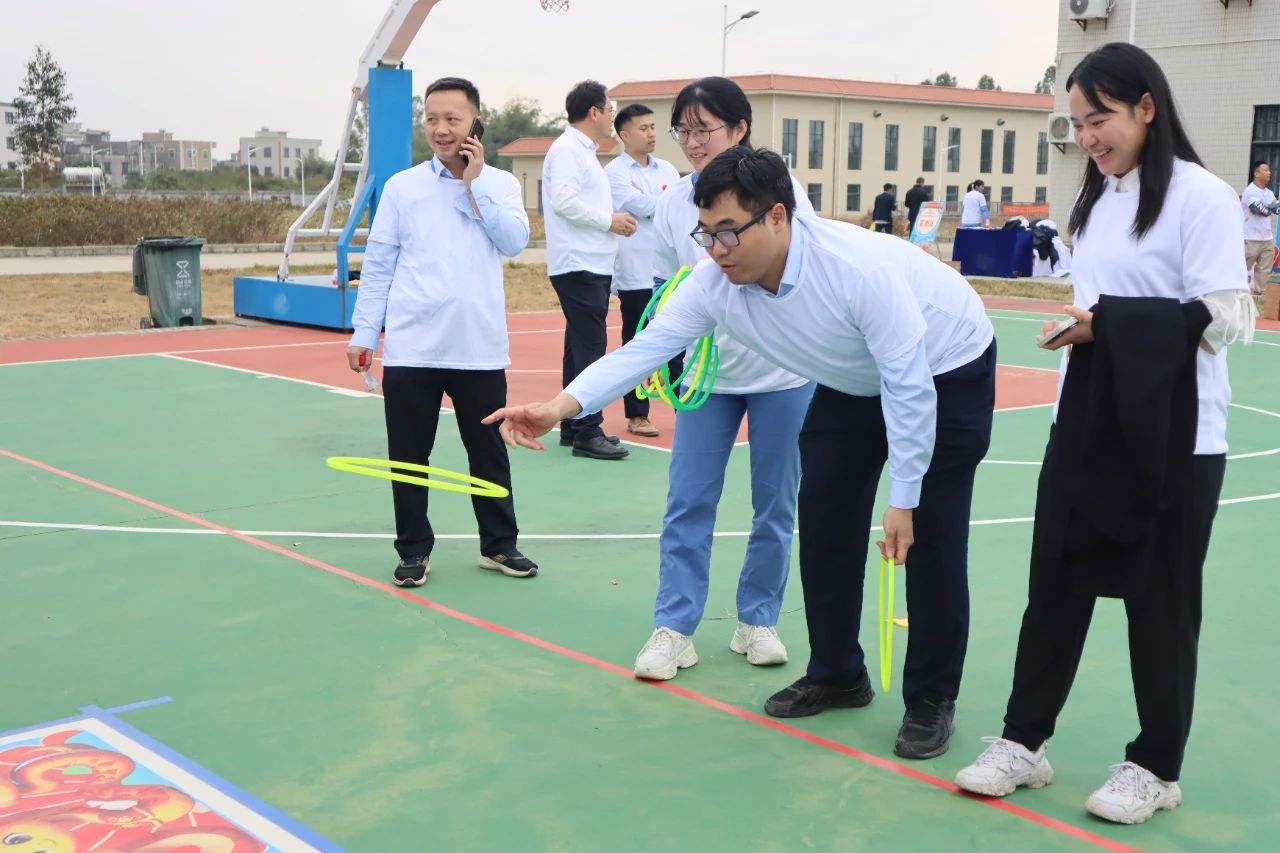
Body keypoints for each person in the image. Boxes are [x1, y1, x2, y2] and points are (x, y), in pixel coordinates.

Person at [485, 147, 997, 760]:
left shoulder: (856, 270)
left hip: (945, 365)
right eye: (705, 233)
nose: (716, 249)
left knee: (930, 533)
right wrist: (558, 407)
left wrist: (904, 497)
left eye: (729, 232)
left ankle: (932, 698)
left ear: (777, 216)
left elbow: (908, 385)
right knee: (825, 518)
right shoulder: (713, 284)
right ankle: (838, 672)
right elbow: (644, 350)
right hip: (852, 379)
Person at [954, 42, 1256, 825]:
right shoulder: (1095, 201)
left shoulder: (1202, 196)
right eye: (1077, 122)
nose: (1086, 136)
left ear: (1146, 108)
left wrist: (1111, 324)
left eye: (1100, 119)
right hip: (1085, 420)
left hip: (1177, 435)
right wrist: (1084, 327)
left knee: (1161, 601)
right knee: (1055, 584)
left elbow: (1229, 316)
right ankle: (1024, 740)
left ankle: (1156, 765)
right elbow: (1103, 303)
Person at [637, 76, 814, 681]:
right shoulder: (673, 201)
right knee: (688, 501)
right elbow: (670, 284)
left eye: (703, 129)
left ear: (740, 129)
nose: (691, 141)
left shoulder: (782, 191)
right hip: (707, 379)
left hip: (783, 375)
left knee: (775, 504)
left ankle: (757, 620)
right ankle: (674, 627)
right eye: (682, 130)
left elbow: (802, 275)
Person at [347, 76, 538, 586]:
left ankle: (499, 546)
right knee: (409, 457)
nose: (440, 129)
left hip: (478, 346)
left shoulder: (499, 185)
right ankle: (413, 550)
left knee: (488, 452)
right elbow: (379, 264)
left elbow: (514, 241)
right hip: (413, 346)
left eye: (452, 118)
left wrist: (474, 186)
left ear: (475, 123)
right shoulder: (402, 187)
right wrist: (364, 333)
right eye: (431, 119)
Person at [542, 80, 638, 461]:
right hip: (579, 264)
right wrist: (609, 220)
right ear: (594, 112)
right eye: (610, 109)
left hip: (588, 263)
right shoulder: (569, 150)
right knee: (591, 348)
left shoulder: (580, 151)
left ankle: (572, 422)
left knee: (578, 346)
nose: (612, 117)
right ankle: (587, 428)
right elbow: (563, 201)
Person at [603, 103, 681, 437]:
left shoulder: (668, 170)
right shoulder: (615, 173)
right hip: (635, 273)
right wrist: (666, 202)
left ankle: (683, 406)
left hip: (669, 272)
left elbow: (673, 207)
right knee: (637, 344)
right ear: (624, 134)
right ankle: (637, 415)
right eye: (643, 128)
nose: (651, 134)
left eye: (653, 127)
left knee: (679, 340)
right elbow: (644, 207)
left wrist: (662, 203)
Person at [1241, 160, 1278, 295]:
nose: (1269, 173)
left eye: (1269, 170)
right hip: (1250, 237)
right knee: (1241, 267)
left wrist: (1271, 207)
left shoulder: (1269, 193)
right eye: (1265, 170)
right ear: (1256, 174)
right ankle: (1234, 293)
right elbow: (1261, 210)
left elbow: (1276, 210)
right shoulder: (1249, 191)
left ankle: (1259, 296)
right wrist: (1271, 207)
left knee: (1264, 270)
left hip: (1267, 237)